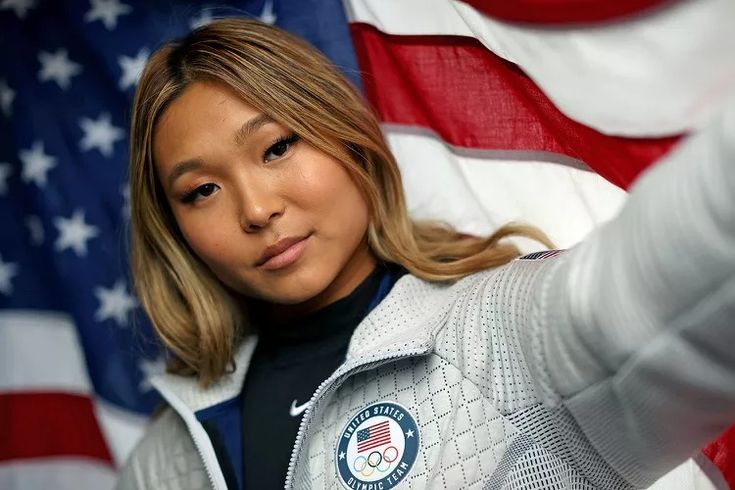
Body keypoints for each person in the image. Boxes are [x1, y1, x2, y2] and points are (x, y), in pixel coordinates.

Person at [117, 17, 735, 490]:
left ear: (348, 138)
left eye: (277, 148)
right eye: (202, 191)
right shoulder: (168, 455)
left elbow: (677, 272)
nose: (255, 209)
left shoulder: (502, 335)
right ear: (174, 230)